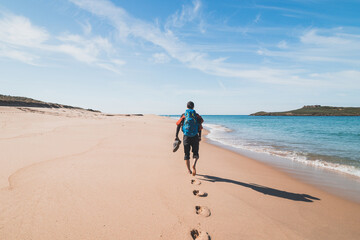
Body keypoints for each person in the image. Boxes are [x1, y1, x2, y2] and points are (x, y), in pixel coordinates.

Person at [175, 101, 203, 176]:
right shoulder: (197, 116)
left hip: (186, 137)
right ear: (193, 107)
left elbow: (178, 125)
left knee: (186, 154)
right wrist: (199, 136)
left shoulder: (184, 115)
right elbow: (199, 126)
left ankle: (189, 170)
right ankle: (193, 164)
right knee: (195, 153)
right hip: (195, 136)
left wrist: (176, 136)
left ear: (187, 107)